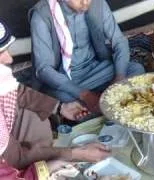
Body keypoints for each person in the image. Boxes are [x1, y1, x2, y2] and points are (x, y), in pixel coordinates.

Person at [0, 19, 111, 179]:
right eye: (0, 53)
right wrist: (71, 154)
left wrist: (60, 107)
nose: (10, 59)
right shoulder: (42, 17)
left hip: (87, 73)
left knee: (38, 110)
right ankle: (40, 158)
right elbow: (44, 70)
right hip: (13, 163)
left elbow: (16, 91)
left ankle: (43, 154)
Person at [30, 0, 145, 112]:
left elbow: (119, 41)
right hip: (66, 79)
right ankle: (108, 104)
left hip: (96, 69)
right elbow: (44, 69)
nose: (85, 3)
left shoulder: (97, 4)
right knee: (62, 99)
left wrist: (119, 77)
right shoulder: (42, 15)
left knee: (135, 69)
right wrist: (85, 95)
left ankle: (99, 106)